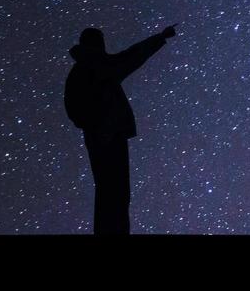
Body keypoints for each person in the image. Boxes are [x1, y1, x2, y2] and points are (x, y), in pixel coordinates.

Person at [65, 24, 178, 234]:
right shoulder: (98, 68)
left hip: (104, 135)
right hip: (107, 136)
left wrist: (93, 126)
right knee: (115, 192)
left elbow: (73, 109)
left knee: (111, 192)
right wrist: (100, 126)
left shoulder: (85, 70)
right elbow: (131, 58)